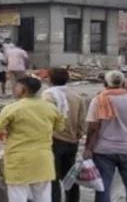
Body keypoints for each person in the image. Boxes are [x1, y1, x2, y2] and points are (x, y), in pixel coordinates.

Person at [0, 76, 64, 202]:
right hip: (43, 158)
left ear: (23, 89)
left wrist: (5, 133)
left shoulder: (13, 108)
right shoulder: (50, 108)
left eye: (16, 86)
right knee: (43, 195)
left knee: (18, 194)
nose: (14, 89)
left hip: (19, 158)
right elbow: (60, 127)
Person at [84, 70, 127, 202]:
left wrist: (88, 148)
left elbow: (93, 128)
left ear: (105, 83)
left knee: (103, 188)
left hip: (103, 150)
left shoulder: (98, 100)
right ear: (123, 83)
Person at [42, 68, 86, 202]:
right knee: (70, 176)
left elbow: (45, 119)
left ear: (49, 80)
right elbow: (82, 121)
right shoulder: (77, 97)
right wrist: (76, 136)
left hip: (54, 140)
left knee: (53, 177)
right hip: (72, 141)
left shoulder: (47, 96)